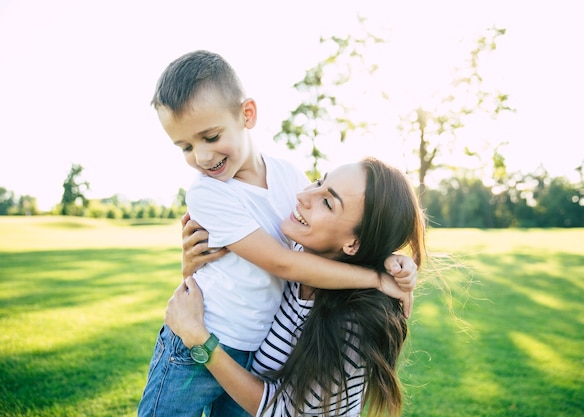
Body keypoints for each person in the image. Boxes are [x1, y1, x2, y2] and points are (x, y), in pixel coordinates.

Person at [137, 51, 416, 417]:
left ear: (247, 114)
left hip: (253, 352)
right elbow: (285, 261)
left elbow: (308, 251)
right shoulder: (207, 192)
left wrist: (390, 264)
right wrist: (378, 276)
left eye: (210, 136)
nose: (202, 157)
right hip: (200, 337)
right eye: (186, 147)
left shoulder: (286, 174)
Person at [165, 157, 428, 417]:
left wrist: (201, 343)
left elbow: (283, 410)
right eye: (318, 182)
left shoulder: (357, 322)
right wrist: (193, 265)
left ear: (353, 244)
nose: (303, 195)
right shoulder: (292, 257)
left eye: (327, 202)